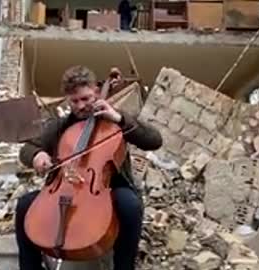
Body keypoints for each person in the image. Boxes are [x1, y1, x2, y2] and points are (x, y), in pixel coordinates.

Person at [15, 65, 163, 270]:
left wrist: (119, 119)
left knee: (131, 206)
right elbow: (28, 148)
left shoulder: (113, 119)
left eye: (86, 99)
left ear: (95, 91)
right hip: (65, 186)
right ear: (68, 99)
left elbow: (154, 141)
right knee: (24, 205)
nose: (81, 106)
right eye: (74, 101)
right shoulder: (61, 125)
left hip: (110, 187)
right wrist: (37, 155)